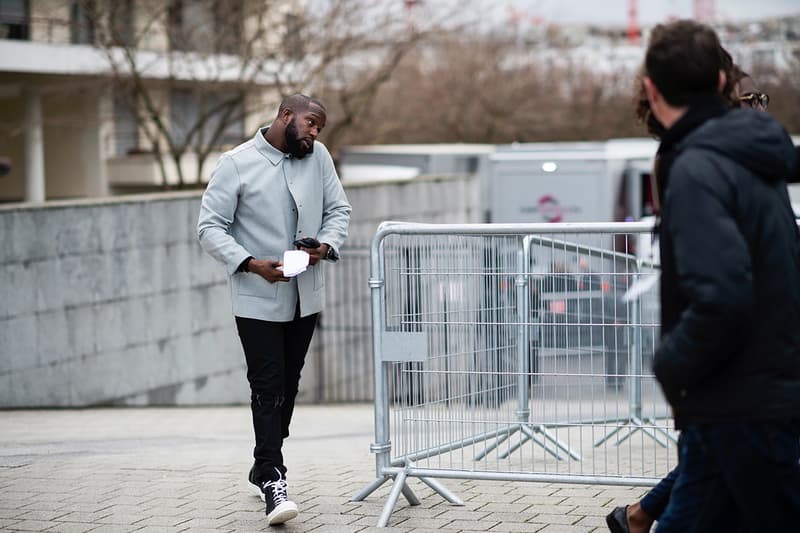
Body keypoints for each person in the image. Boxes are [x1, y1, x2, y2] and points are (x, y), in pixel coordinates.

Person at [634, 19, 800, 532]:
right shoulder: (748, 152)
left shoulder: (697, 169)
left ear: (651, 89)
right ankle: (637, 520)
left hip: (741, 398)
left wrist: (669, 363)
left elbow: (723, 296)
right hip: (741, 396)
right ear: (723, 82)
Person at [606, 63, 777, 533]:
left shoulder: (750, 160)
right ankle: (638, 518)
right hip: (736, 369)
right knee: (715, 480)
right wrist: (676, 366)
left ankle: (637, 518)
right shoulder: (697, 165)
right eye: (750, 101)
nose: (759, 110)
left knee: (708, 478)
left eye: (762, 101)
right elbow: (719, 285)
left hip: (745, 370)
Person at [197, 94, 351, 525]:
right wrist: (249, 263)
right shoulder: (236, 162)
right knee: (267, 386)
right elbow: (209, 227)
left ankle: (263, 459)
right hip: (256, 296)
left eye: (320, 126)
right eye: (312, 123)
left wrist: (327, 244)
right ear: (287, 116)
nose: (316, 132)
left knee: (288, 385)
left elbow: (339, 209)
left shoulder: (317, 157)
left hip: (307, 295)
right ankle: (272, 477)